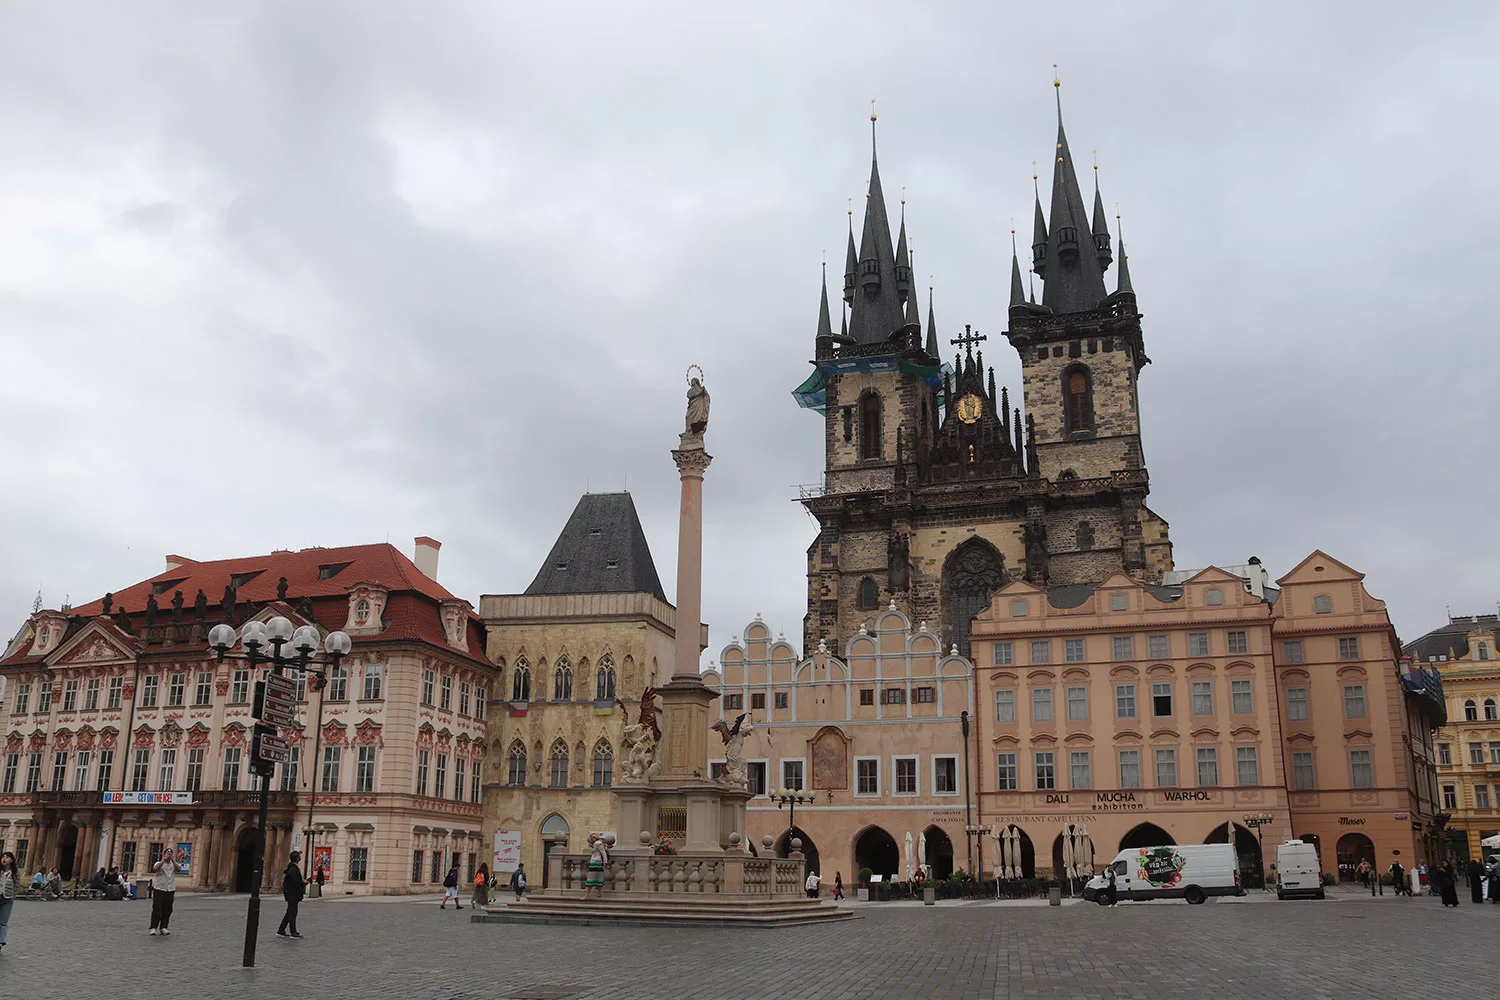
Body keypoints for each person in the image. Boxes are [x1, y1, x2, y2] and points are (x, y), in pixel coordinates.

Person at [276, 849, 306, 939]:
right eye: (299, 856)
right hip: (293, 894)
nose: (300, 857)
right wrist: (303, 883)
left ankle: (281, 930)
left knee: (289, 912)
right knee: (293, 913)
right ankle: (293, 932)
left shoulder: (291, 866)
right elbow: (294, 882)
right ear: (297, 858)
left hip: (291, 894)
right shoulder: (293, 869)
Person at [148, 848, 177, 935]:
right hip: (159, 889)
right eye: (167, 854)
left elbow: (179, 869)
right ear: (164, 854)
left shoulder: (173, 864)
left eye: (170, 854)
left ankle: (163, 927)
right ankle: (153, 927)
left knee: (168, 909)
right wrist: (163, 860)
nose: (169, 855)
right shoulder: (159, 863)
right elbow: (155, 869)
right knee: (157, 909)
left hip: (170, 889)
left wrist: (173, 861)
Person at [0, 851, 18, 953]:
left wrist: (12, 896)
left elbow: (16, 886)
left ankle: (1, 941)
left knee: (3, 922)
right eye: (3, 857)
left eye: (7, 857)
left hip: (7, 900)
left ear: (11, 860)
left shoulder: (15, 873)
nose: (4, 859)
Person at [582, 834, 608, 900]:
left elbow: (603, 853)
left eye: (593, 837)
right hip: (596, 862)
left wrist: (605, 862)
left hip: (596, 863)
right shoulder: (597, 844)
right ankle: (601, 894)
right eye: (591, 837)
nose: (592, 838)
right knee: (598, 879)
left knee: (591, 879)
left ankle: (586, 895)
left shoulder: (598, 843)